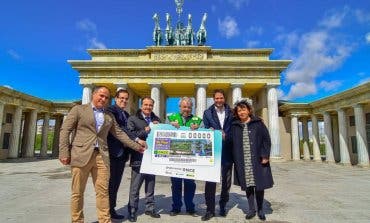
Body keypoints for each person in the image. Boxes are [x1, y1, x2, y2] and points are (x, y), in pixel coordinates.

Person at [59, 86, 146, 223]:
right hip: (81, 154)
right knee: (77, 193)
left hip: (101, 156)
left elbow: (119, 133)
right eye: (101, 95)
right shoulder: (79, 110)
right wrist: (64, 152)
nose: (103, 99)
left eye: (106, 97)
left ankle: (105, 220)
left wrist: (137, 147)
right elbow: (65, 130)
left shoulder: (108, 115)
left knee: (103, 192)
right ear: (94, 94)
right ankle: (77, 220)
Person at [230, 100, 274, 221]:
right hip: (243, 160)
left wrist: (265, 155)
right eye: (239, 110)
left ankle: (260, 209)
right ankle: (251, 209)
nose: (241, 112)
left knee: (259, 185)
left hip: (258, 160)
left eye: (243, 109)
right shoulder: (234, 125)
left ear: (249, 110)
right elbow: (230, 141)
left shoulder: (258, 123)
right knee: (248, 185)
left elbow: (266, 140)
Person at [107, 89, 143, 220]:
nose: (124, 100)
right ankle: (106, 211)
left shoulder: (126, 114)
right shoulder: (111, 110)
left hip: (121, 155)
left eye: (126, 98)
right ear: (116, 98)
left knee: (116, 183)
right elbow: (121, 129)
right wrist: (137, 141)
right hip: (112, 153)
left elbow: (139, 118)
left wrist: (154, 119)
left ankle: (111, 209)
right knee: (109, 184)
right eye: (121, 98)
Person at [126, 97, 161, 222]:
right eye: (145, 105)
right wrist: (143, 131)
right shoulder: (132, 119)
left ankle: (150, 208)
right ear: (141, 105)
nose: (148, 107)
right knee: (135, 187)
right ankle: (132, 209)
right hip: (138, 158)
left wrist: (160, 126)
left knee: (150, 185)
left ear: (153, 106)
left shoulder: (156, 120)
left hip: (152, 158)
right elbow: (129, 135)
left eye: (150, 105)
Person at [201, 89, 233, 221]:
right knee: (210, 181)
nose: (219, 100)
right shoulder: (207, 113)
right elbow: (205, 128)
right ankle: (210, 210)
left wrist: (227, 135)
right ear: (213, 99)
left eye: (221, 98)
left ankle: (223, 205)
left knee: (226, 181)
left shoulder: (231, 112)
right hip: (212, 152)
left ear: (224, 99)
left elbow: (235, 127)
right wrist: (210, 131)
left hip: (227, 151)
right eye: (217, 98)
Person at [167, 97, 202, 216]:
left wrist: (199, 129)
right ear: (180, 107)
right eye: (184, 107)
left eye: (189, 107)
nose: (186, 109)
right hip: (175, 158)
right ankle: (176, 208)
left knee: (190, 185)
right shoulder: (171, 118)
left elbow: (205, 133)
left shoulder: (197, 120)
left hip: (191, 159)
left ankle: (190, 208)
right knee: (176, 184)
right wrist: (170, 126)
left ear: (191, 108)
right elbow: (163, 132)